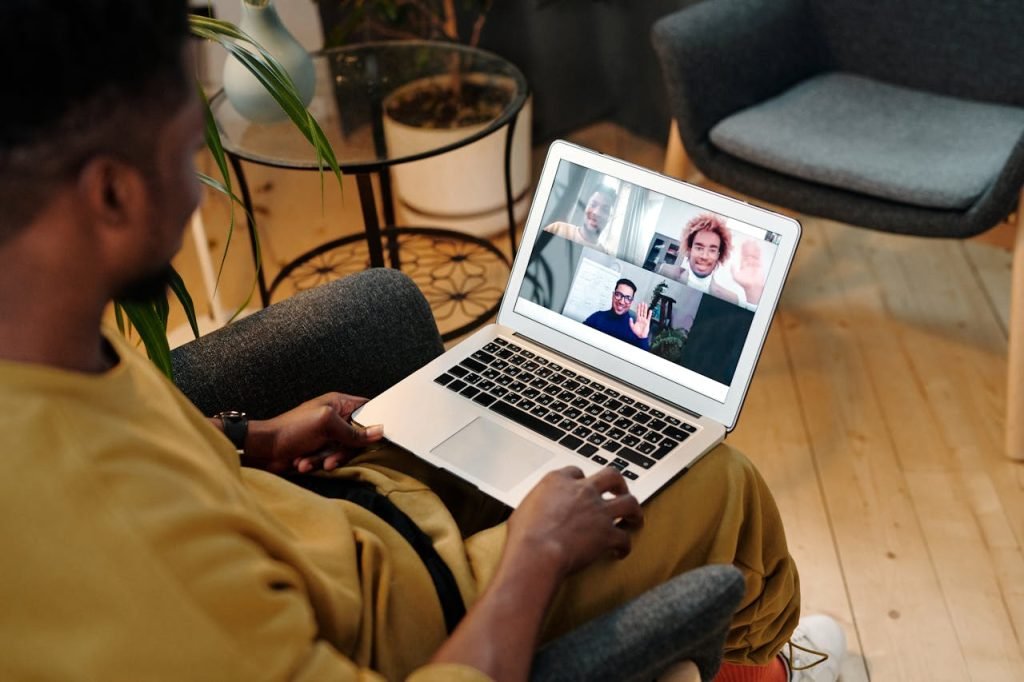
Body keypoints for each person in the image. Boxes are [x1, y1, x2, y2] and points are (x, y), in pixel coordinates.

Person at [0, 3, 846, 681]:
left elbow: (135, 439)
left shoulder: (45, 349)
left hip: (326, 513)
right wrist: (534, 557)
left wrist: (249, 441)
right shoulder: (130, 567)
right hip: (420, 608)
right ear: (109, 195)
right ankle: (766, 667)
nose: (198, 192)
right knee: (724, 485)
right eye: (188, 154)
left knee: (501, 415)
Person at [659, 213, 763, 307]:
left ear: (719, 255)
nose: (704, 256)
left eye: (712, 250)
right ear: (690, 250)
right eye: (699, 248)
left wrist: (752, 291)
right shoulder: (666, 271)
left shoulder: (731, 298)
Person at [582, 278, 653, 351]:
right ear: (613, 295)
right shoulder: (597, 317)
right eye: (618, 295)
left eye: (628, 298)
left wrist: (642, 338)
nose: (622, 302)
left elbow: (641, 358)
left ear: (631, 301)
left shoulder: (635, 329)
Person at [543, 186, 617, 254]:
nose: (596, 213)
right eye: (593, 205)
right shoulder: (557, 229)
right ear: (586, 207)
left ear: (609, 218)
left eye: (605, 209)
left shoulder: (605, 256)